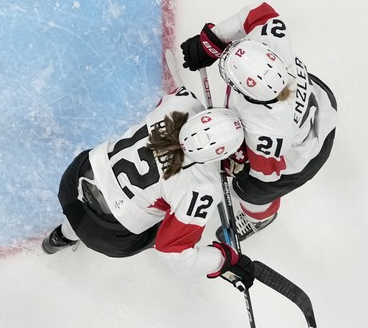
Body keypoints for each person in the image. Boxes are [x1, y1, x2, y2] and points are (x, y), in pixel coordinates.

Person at [43, 87, 255, 291]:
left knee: (106, 190)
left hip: (74, 180)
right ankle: (68, 234)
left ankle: (60, 236)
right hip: (106, 236)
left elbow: (166, 105)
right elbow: (173, 255)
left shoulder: (182, 104)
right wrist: (223, 260)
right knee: (169, 224)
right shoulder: (203, 188)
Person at [179, 2, 338, 241]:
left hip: (302, 156)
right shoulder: (273, 40)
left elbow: (267, 172)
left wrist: (237, 161)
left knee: (251, 190)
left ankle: (259, 217)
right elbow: (259, 13)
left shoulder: (265, 130)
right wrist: (213, 40)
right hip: (320, 100)